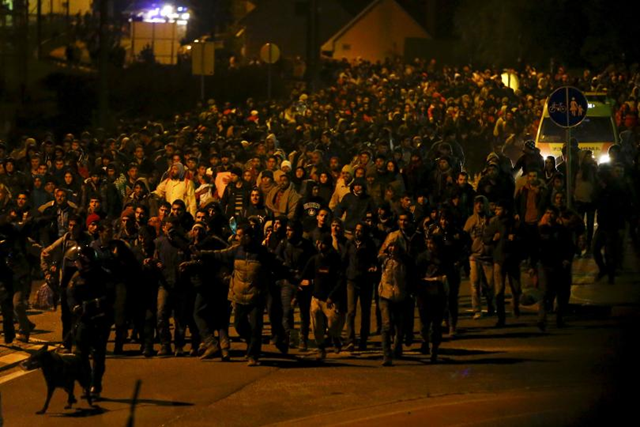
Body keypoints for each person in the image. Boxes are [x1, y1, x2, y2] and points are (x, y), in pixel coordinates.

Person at [193, 223, 295, 366]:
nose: (237, 237)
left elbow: (279, 265)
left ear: (248, 236)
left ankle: (253, 355)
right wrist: (202, 253)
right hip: (240, 296)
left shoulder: (262, 253)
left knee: (256, 327)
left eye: (240, 235)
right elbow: (219, 254)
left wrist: (294, 278)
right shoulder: (236, 251)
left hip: (256, 296)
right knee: (239, 326)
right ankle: (251, 341)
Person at [66, 245, 113, 399]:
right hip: (84, 321)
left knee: (98, 354)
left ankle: (96, 384)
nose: (75, 264)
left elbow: (110, 297)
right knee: (81, 354)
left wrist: (93, 304)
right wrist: (75, 308)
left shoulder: (104, 275)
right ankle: (86, 384)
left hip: (100, 320)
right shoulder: (76, 277)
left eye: (78, 261)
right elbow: (70, 295)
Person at [301, 234, 345, 361]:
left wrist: (333, 296)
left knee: (333, 324)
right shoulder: (314, 259)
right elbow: (305, 274)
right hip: (316, 297)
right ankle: (321, 348)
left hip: (330, 299)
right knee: (316, 326)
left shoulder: (335, 259)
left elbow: (340, 279)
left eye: (323, 243)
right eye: (318, 243)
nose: (320, 246)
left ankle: (335, 337)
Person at [343, 222, 378, 352]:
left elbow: (374, 260)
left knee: (365, 311)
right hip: (351, 280)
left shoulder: (369, 245)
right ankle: (350, 340)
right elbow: (345, 260)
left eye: (361, 231)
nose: (358, 233)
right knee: (351, 311)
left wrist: (372, 267)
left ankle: (363, 339)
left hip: (365, 281)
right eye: (356, 230)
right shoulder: (350, 243)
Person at [377, 237, 412, 366]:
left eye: (394, 246)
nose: (392, 249)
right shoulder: (383, 260)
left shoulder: (405, 261)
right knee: (386, 325)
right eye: (390, 246)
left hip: (400, 296)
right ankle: (386, 355)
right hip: (385, 295)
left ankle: (397, 347)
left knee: (399, 326)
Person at [414, 235, 448, 362]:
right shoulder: (422, 257)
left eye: (432, 243)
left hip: (438, 292)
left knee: (436, 323)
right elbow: (416, 274)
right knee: (424, 321)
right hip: (424, 291)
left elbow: (448, 273)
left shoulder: (443, 257)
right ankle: (425, 341)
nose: (430, 246)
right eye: (428, 243)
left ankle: (434, 348)